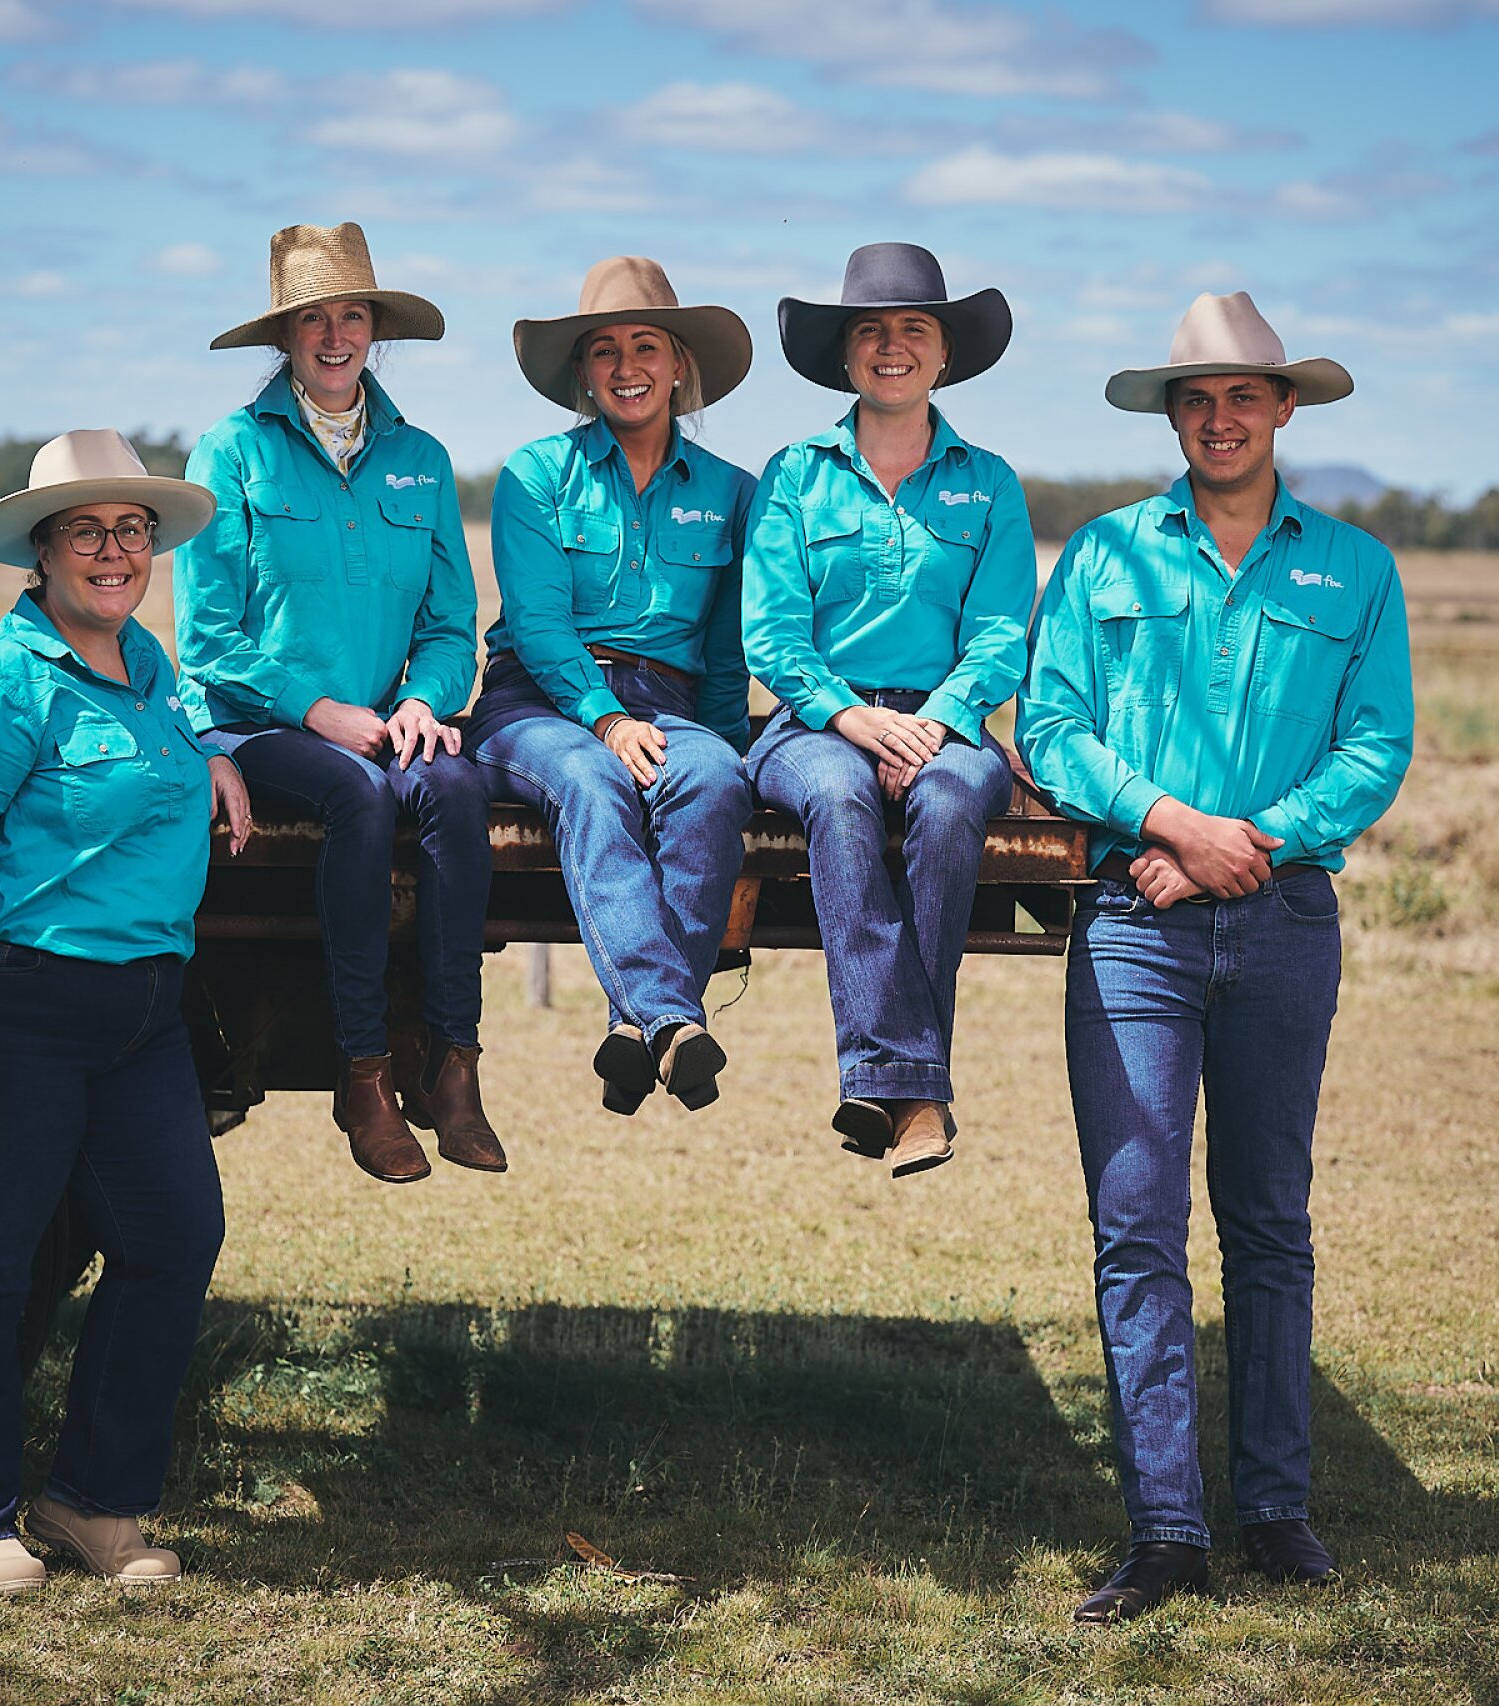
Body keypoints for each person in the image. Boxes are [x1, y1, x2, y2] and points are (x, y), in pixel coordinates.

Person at [1016, 292, 1414, 1622]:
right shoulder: (1105, 555)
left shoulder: (1353, 570)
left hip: (1283, 923)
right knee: (1136, 1228)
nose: (1222, 415)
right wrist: (1175, 827)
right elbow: (1055, 728)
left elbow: (1375, 745)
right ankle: (1167, 1529)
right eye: (1199, 396)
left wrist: (1250, 842)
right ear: (1172, 412)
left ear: (1285, 406)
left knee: (1268, 1222)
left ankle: (1279, 1510)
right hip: (1134, 923)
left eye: (1246, 394)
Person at [0, 429, 248, 1596]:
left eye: (130, 531)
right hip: (11, 995)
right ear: (40, 554)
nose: (112, 550)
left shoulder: (154, 669)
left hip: (141, 1011)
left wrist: (217, 756)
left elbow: (164, 757)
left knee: (172, 1237)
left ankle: (94, 1497)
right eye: (84, 530)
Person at [176, 221, 499, 1185]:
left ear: (374, 329)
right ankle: (364, 1080)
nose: (333, 335)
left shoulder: (422, 458)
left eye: (350, 314)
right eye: (312, 317)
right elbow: (207, 640)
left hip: (385, 723)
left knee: (458, 789)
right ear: (284, 335)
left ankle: (454, 1068)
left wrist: (421, 702)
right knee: (358, 798)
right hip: (260, 722)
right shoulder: (232, 452)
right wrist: (320, 714)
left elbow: (451, 621)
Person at [741, 242, 1034, 1178]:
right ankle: (918, 1089)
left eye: (914, 329)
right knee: (840, 799)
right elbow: (774, 636)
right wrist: (855, 720)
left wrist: (935, 723)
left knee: (948, 804)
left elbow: (999, 636)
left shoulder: (990, 484)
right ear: (844, 354)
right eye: (871, 330)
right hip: (813, 729)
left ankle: (885, 1078)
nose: (892, 346)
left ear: (946, 353)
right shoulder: (794, 475)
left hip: (945, 728)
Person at [469, 256, 758, 1114]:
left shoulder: (733, 493)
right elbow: (540, 622)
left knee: (710, 778)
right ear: (583, 373)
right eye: (604, 351)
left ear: (679, 365)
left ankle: (635, 1034)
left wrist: (728, 755)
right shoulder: (535, 476)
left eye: (646, 347)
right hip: (538, 700)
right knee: (595, 778)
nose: (626, 367)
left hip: (666, 706)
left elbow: (726, 648)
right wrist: (601, 720)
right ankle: (672, 1016)